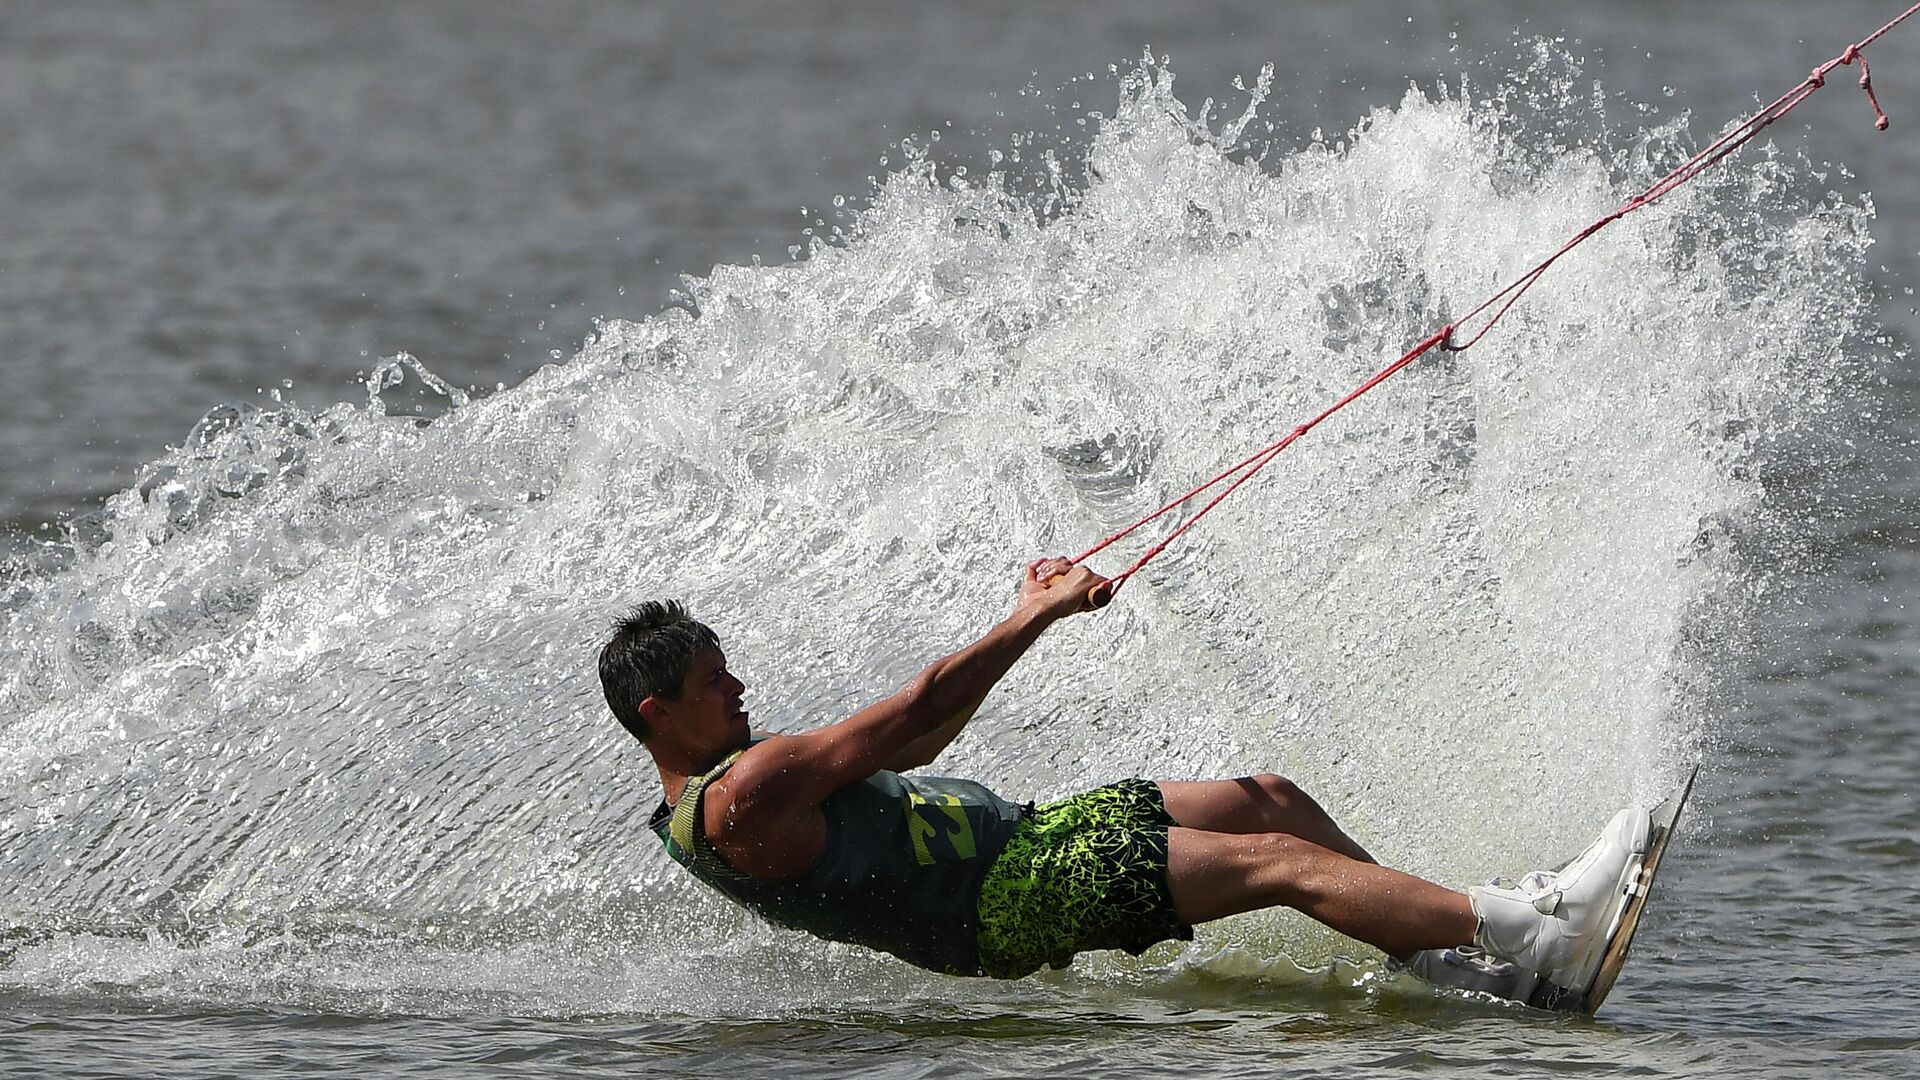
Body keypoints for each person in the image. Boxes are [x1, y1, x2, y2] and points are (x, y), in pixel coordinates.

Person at [597, 556, 1650, 1002]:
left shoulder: (731, 786)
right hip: (1005, 899)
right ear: (658, 715)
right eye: (709, 679)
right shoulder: (743, 797)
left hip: (1027, 840)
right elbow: (915, 711)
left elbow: (915, 747)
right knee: (1275, 861)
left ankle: (1458, 964)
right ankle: (1527, 929)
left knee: (1267, 799)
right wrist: (1036, 615)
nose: (736, 686)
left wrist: (1026, 619)